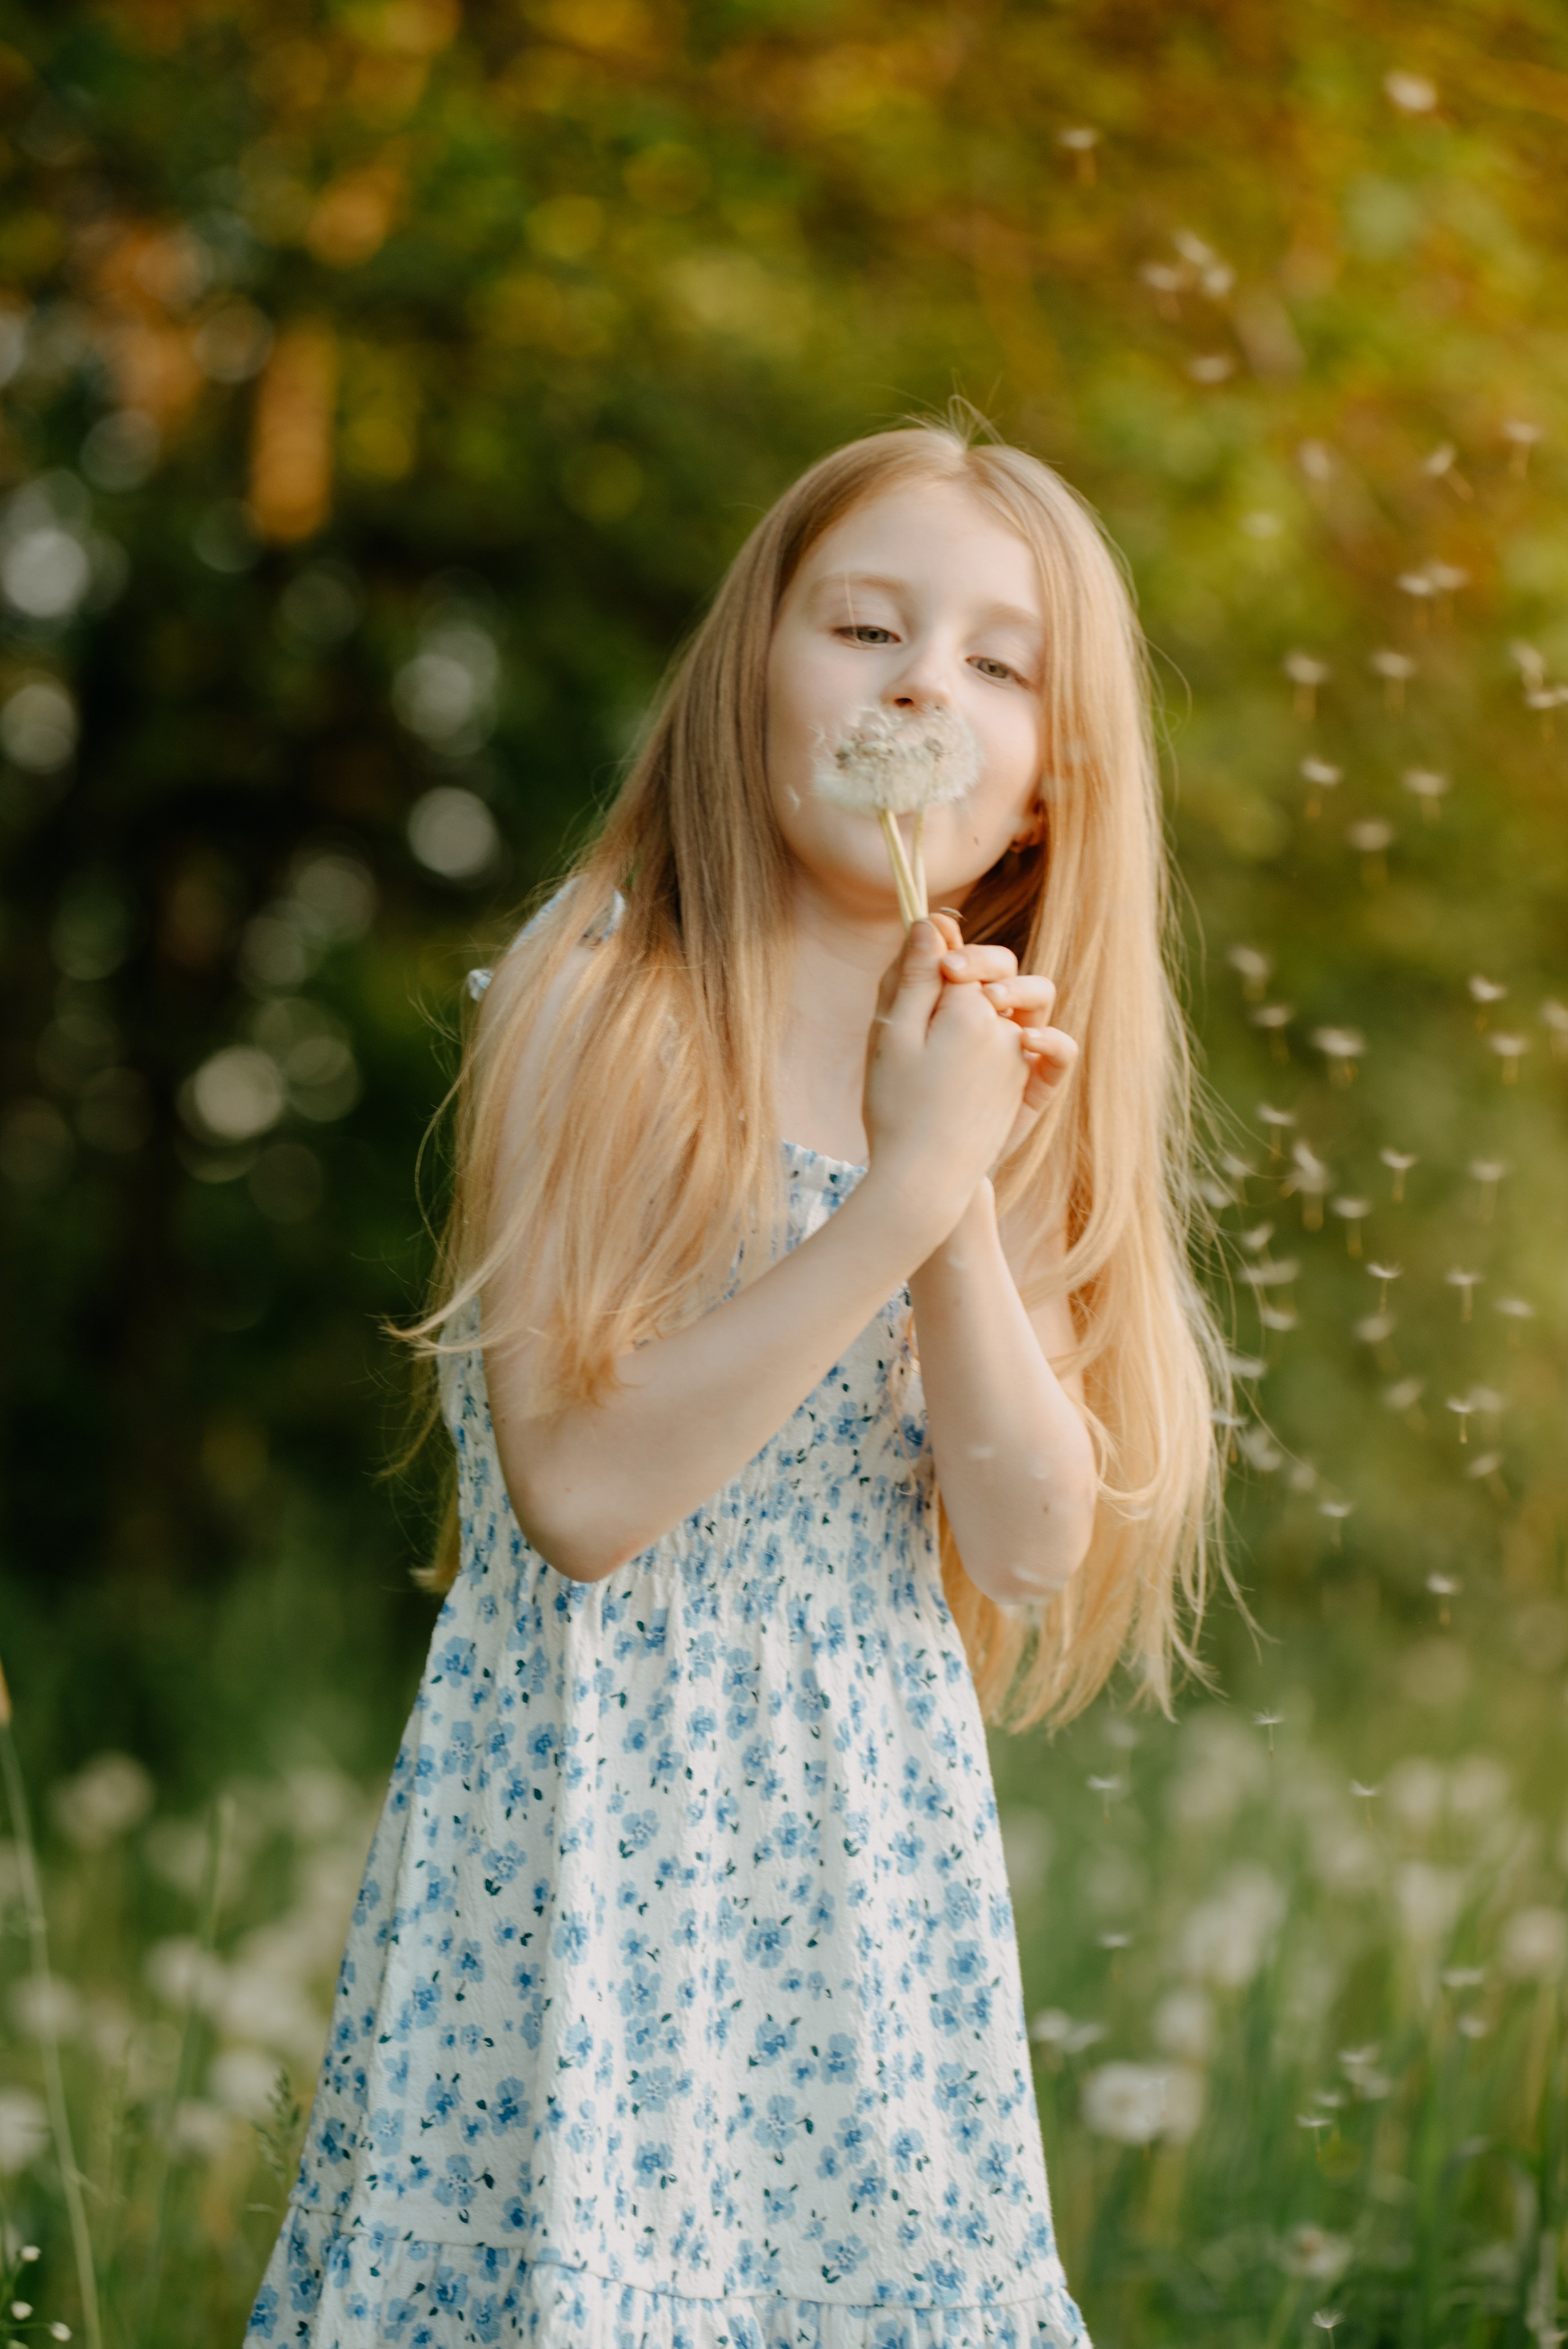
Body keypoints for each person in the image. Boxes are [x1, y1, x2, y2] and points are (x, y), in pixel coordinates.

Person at [245, 409, 1228, 2347]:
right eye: (866, 628)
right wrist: (908, 1185)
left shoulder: (997, 1069)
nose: (924, 677)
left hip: (861, 1876)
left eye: (995, 660)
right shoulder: (603, 991)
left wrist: (950, 1178)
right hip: (589, 1848)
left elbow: (1029, 1540)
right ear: (754, 676)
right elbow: (586, 1498)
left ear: (1039, 789)